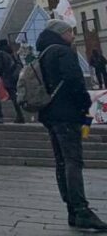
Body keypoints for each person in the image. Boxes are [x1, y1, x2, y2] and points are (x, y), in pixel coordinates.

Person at [36, 19, 107, 231]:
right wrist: (85, 105)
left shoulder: (44, 53)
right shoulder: (63, 52)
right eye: (70, 31)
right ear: (62, 33)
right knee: (73, 162)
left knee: (61, 162)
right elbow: (75, 81)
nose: (72, 35)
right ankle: (82, 210)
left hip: (50, 114)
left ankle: (72, 211)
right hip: (67, 114)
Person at [0, 38, 25, 124]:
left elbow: (0, 67)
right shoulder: (13, 53)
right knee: (18, 95)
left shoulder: (1, 54)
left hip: (8, 78)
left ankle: (20, 116)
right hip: (17, 76)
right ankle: (21, 114)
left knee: (14, 98)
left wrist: (1, 74)